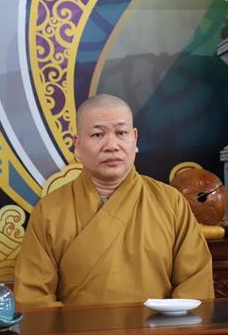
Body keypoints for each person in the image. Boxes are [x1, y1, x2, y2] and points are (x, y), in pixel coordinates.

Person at [13, 94, 214, 307]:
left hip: (157, 326)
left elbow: (195, 286)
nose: (111, 145)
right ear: (77, 145)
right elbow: (33, 299)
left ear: (135, 139)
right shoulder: (50, 210)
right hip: (77, 327)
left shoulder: (171, 203)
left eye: (121, 133)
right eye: (98, 134)